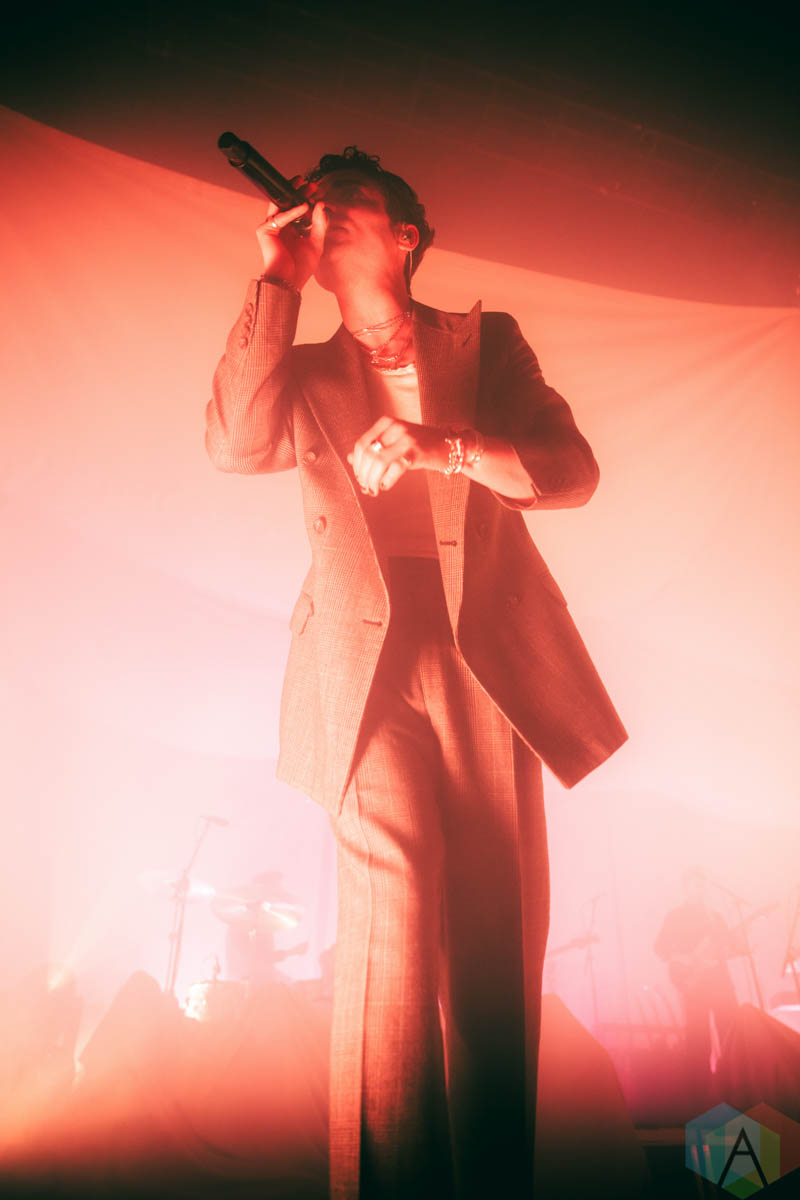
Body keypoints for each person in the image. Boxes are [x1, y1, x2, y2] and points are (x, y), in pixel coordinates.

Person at [206, 146, 627, 1200]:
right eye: (311, 196)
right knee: (390, 935)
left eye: (345, 196)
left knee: (491, 944)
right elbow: (234, 443)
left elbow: (570, 473)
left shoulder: (487, 344)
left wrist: (444, 446)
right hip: (362, 666)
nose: (320, 204)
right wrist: (275, 282)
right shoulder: (305, 366)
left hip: (484, 656)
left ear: (405, 236)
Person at [654, 867, 739, 1106]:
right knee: (698, 1041)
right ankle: (699, 1100)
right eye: (694, 884)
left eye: (702, 884)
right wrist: (684, 958)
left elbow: (729, 947)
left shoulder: (715, 917)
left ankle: (733, 1091)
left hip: (720, 982)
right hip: (694, 985)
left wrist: (736, 947)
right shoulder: (676, 916)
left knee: (730, 1034)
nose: (699, 888)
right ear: (686, 887)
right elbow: (660, 948)